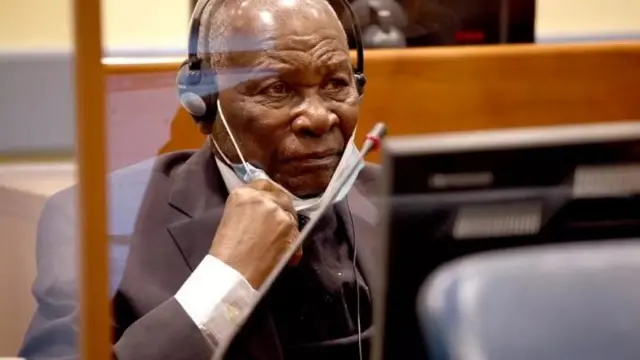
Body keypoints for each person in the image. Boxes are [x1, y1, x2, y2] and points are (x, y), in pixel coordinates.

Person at [20, 0, 381, 359]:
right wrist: (224, 282)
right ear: (203, 101)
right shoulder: (94, 220)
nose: (318, 119)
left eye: (336, 84)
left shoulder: (395, 200)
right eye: (277, 89)